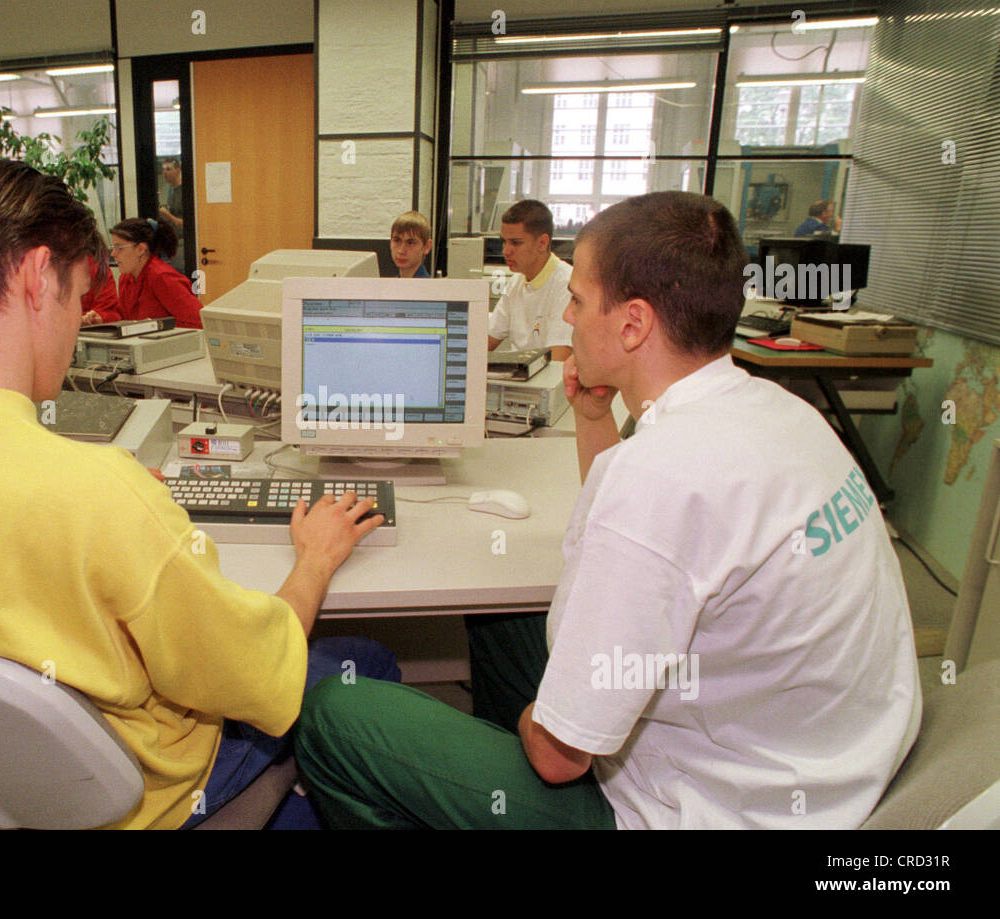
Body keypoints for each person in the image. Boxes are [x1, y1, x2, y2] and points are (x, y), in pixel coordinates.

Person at [0, 158, 399, 830]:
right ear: (32, 276)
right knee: (363, 661)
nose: (81, 323)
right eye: (79, 295)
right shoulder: (97, 493)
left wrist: (117, 516)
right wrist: (314, 557)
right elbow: (260, 675)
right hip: (147, 800)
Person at [294, 190, 921, 829]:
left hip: (695, 813)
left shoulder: (661, 477)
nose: (566, 317)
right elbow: (638, 536)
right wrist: (595, 416)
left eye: (578, 300)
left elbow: (558, 758)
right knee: (501, 624)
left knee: (337, 715)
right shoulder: (785, 414)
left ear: (633, 324)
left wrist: (535, 719)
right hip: (815, 767)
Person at [486, 199, 572, 361]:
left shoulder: (566, 285)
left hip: (545, 382)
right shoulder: (517, 281)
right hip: (519, 378)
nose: (506, 251)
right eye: (504, 241)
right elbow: (486, 341)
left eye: (516, 243)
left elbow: (557, 362)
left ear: (542, 243)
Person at [81, 218, 203, 329]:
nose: (113, 254)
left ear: (140, 249)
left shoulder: (162, 276)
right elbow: (123, 317)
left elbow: (199, 321)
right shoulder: (126, 278)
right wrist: (101, 318)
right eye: (113, 247)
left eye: (119, 248)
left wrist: (156, 328)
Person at [389, 211, 432, 278]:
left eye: (410, 243)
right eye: (397, 240)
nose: (401, 251)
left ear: (427, 247)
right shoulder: (390, 285)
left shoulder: (429, 287)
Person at [79, 254, 117, 319]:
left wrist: (98, 317)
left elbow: (110, 311)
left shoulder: (98, 269)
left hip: (90, 327)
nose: (113, 253)